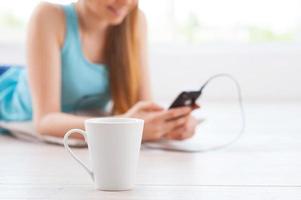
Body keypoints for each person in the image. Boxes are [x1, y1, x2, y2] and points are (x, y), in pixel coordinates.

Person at [0, 0, 200, 141]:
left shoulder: (134, 21)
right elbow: (44, 121)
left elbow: (144, 107)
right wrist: (122, 125)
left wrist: (169, 124)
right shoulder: (48, 16)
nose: (125, 2)